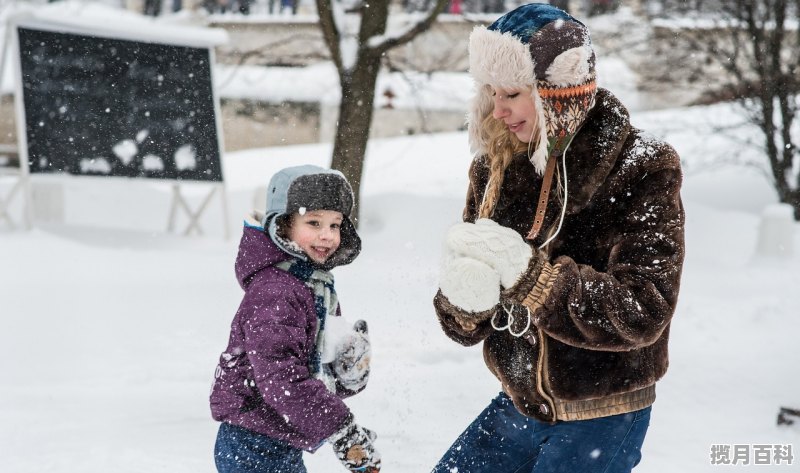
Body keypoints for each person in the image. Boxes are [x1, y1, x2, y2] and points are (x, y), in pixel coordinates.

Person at [432, 3, 685, 473]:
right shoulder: (497, 163)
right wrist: (465, 305)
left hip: (603, 413)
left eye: (512, 92)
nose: (499, 109)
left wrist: (534, 280)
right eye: (491, 92)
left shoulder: (641, 166)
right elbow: (468, 316)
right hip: (517, 403)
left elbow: (643, 309)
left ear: (559, 92)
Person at [210, 165, 381, 473]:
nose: (326, 235)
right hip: (252, 443)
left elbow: (309, 374)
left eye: (335, 224)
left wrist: (345, 375)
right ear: (284, 226)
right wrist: (340, 427)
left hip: (278, 437)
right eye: (313, 222)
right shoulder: (276, 292)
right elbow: (281, 378)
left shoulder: (314, 285)